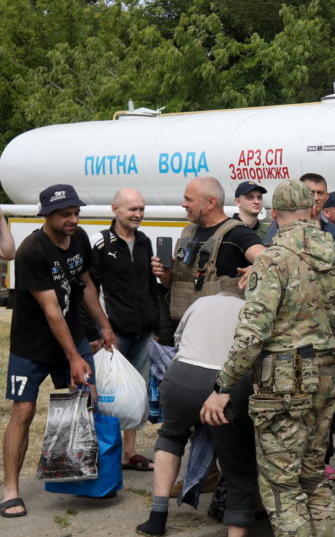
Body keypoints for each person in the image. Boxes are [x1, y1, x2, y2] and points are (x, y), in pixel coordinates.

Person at [200, 179, 335, 537]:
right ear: (311, 211)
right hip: (326, 379)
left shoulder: (274, 259)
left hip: (283, 386)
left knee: (283, 488)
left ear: (275, 215)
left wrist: (223, 384)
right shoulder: (333, 256)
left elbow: (253, 330)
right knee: (313, 480)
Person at [1, 184, 117, 518]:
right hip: (32, 345)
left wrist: (104, 326)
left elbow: (87, 287)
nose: (72, 218)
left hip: (74, 336)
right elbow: (51, 310)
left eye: (75, 212)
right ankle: (10, 490)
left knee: (88, 398)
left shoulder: (79, 239)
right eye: (65, 214)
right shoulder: (31, 251)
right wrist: (74, 358)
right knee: (23, 411)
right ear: (47, 215)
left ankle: (86, 478)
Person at [135, 292, 262, 537]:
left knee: (170, 437)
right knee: (240, 470)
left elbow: (178, 338)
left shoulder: (201, 302)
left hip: (181, 376)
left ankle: (156, 518)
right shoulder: (252, 307)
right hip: (224, 383)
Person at [90, 187, 160, 471]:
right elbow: (90, 291)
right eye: (132, 209)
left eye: (141, 209)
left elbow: (149, 286)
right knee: (108, 393)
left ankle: (129, 452)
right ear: (115, 209)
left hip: (144, 331)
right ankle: (105, 451)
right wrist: (100, 329)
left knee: (135, 392)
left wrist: (156, 324)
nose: (138, 214)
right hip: (113, 333)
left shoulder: (144, 242)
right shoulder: (101, 243)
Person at [152, 176, 264, 325]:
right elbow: (174, 284)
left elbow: (270, 258)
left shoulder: (237, 233)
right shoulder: (188, 233)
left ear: (211, 202)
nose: (183, 205)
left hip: (221, 329)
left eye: (189, 199)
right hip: (186, 327)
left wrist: (257, 267)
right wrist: (166, 275)